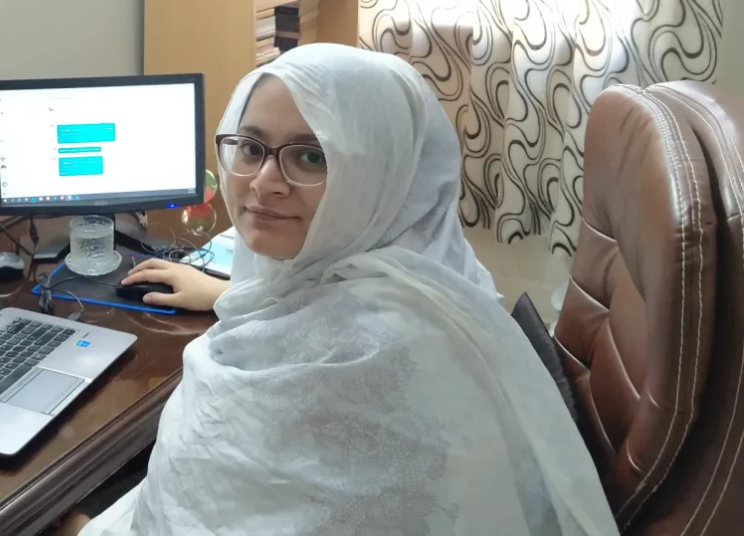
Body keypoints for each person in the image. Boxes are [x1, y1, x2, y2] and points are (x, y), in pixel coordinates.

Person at [63, 44, 616, 535]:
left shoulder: (366, 350)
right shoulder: (430, 266)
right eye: (251, 147)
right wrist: (224, 292)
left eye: (312, 156)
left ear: (380, 172)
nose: (262, 182)